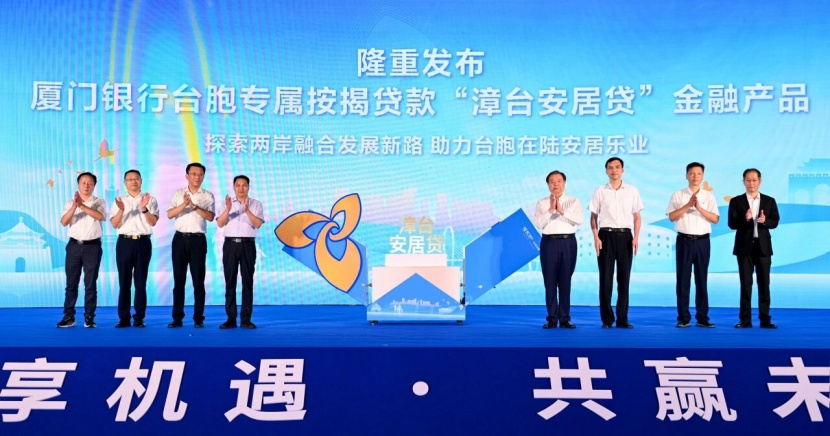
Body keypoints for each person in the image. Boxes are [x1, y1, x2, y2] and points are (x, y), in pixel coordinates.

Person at [589, 157, 643, 329]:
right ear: (606, 171)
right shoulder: (600, 190)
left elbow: (637, 216)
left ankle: (622, 318)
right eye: (610, 167)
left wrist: (636, 237)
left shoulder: (632, 190)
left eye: (617, 167)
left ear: (623, 170)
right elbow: (593, 217)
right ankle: (607, 319)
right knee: (605, 279)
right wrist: (596, 237)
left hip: (626, 236)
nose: (614, 170)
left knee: (624, 279)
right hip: (605, 235)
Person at [666, 162, 719, 328]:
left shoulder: (709, 196)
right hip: (684, 241)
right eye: (692, 173)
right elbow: (672, 217)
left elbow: (715, 219)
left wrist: (699, 208)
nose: (695, 176)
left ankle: (702, 317)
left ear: (703, 176)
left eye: (699, 173)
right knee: (683, 280)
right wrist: (688, 205)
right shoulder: (678, 195)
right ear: (686, 175)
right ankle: (683, 317)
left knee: (702, 279)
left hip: (703, 242)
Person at [727, 168, 779, 329]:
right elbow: (732, 224)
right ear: (743, 181)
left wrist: (765, 221)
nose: (751, 183)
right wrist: (746, 219)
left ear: (760, 181)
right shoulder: (736, 201)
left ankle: (765, 319)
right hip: (744, 248)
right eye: (748, 180)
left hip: (763, 247)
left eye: (754, 180)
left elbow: (775, 221)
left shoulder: (769, 201)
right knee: (745, 284)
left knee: (764, 284)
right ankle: (745, 320)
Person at [167, 163, 215, 328]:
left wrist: (194, 206)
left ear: (203, 177)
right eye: (194, 173)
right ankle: (177, 318)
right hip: (179, 239)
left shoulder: (207, 195)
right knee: (178, 281)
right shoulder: (178, 193)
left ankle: (198, 318)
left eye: (200, 174)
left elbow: (210, 217)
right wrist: (184, 204)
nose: (197, 177)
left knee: (198, 281)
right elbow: (170, 214)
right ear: (187, 176)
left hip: (198, 240)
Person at [533, 170, 583, 329]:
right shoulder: (542, 203)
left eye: (559, 181)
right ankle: (552, 318)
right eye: (552, 182)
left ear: (564, 183)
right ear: (548, 185)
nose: (556, 184)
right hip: (549, 243)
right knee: (550, 282)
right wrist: (550, 210)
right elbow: (539, 224)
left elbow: (579, 220)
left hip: (568, 243)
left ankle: (565, 318)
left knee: (565, 281)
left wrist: (562, 211)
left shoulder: (573, 201)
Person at [110, 170, 159, 328]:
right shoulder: (119, 200)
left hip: (143, 242)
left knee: (140, 281)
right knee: (124, 282)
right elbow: (115, 224)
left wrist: (144, 208)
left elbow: (153, 222)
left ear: (141, 181)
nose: (133, 181)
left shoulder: (150, 199)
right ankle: (124, 318)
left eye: (136, 179)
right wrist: (121, 210)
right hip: (124, 242)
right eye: (129, 179)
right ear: (125, 182)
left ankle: (139, 318)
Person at [57, 172, 106, 328]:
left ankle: (89, 317)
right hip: (74, 246)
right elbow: (64, 222)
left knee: (90, 283)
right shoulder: (69, 203)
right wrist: (74, 206)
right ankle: (69, 316)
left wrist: (82, 206)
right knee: (71, 283)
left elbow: (100, 216)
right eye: (83, 182)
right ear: (78, 184)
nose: (86, 185)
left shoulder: (99, 201)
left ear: (94, 185)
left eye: (90, 183)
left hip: (93, 246)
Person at [216, 175, 264, 329]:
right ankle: (231, 319)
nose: (241, 188)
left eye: (244, 185)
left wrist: (247, 210)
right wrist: (228, 209)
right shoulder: (226, 203)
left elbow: (258, 224)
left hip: (247, 245)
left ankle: (245, 319)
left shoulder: (256, 204)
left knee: (247, 282)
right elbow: (220, 223)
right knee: (230, 281)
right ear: (234, 187)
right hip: (230, 245)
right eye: (238, 185)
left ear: (248, 187)